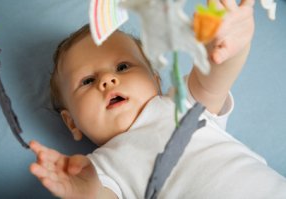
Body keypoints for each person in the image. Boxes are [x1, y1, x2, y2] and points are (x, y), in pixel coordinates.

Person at [29, 0, 286, 198]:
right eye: (87, 81)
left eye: (123, 67)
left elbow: (214, 73)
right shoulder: (100, 168)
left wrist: (228, 45)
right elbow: (100, 193)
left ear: (156, 80)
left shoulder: (178, 104)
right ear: (71, 122)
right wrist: (81, 189)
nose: (107, 80)